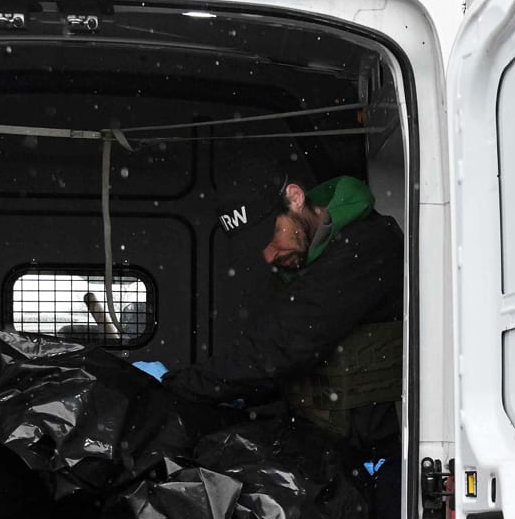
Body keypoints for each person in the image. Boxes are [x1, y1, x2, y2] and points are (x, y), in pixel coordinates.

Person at [166, 173, 404, 457]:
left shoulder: (365, 244)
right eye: (258, 248)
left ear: (295, 198)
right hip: (329, 437)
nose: (268, 256)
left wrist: (177, 385)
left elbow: (279, 348)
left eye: (271, 236)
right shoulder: (301, 262)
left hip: (376, 450)